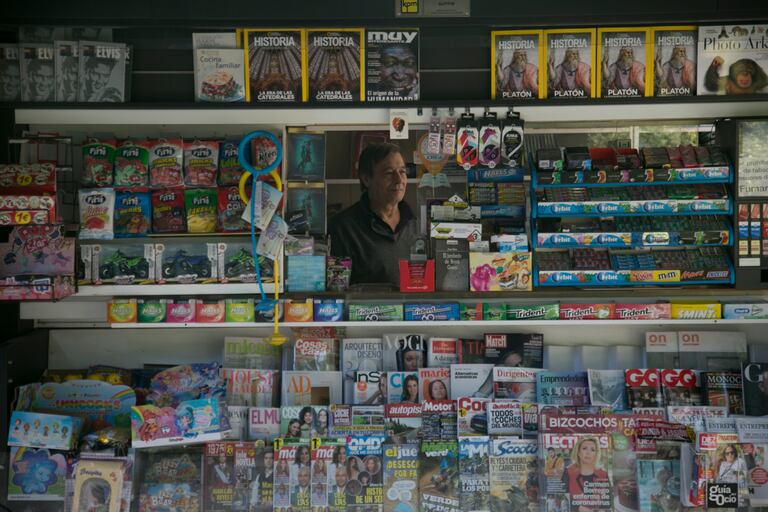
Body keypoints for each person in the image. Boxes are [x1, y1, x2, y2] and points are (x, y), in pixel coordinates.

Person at [328, 143, 419, 287]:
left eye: (402, 171)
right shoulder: (342, 227)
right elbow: (337, 289)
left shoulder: (417, 224)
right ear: (366, 179)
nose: (399, 180)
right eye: (389, 173)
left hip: (415, 309)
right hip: (364, 309)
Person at [563, 438, 608, 510]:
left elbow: (607, 502)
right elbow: (562, 496)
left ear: (596, 454)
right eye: (584, 448)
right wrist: (578, 508)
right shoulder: (568, 472)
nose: (588, 452)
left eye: (592, 450)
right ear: (578, 452)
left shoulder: (603, 474)